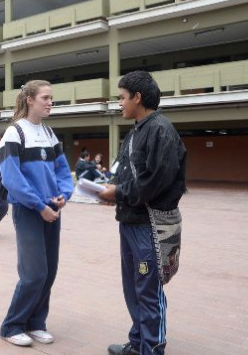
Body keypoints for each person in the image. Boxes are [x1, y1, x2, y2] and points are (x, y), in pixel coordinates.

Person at [98, 71, 187, 355]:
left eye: (122, 98)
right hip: (131, 222)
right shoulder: (138, 130)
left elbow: (155, 181)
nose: (119, 103)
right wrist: (113, 192)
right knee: (135, 288)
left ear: (138, 97)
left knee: (148, 291)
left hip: (149, 225)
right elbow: (130, 177)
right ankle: (138, 343)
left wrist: (119, 193)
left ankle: (152, 349)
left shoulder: (160, 129)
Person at [0, 80, 74, 347]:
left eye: (52, 98)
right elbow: (12, 178)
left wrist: (63, 195)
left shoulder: (49, 133)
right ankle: (12, 325)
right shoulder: (14, 133)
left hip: (51, 210)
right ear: (30, 99)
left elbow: (62, 171)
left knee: (49, 271)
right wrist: (39, 206)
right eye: (46, 97)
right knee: (34, 273)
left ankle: (36, 323)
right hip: (30, 211)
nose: (50, 102)